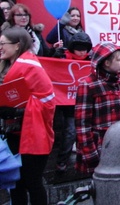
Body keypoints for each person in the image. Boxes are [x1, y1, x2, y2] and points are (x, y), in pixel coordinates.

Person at [0, 27, 54, 205]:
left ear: (17, 46)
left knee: (33, 182)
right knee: (16, 184)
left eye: (2, 44)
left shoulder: (30, 67)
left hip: (33, 134)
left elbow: (47, 101)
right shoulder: (6, 67)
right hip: (12, 136)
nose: (0, 47)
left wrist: (17, 111)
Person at [74, 42, 120, 174]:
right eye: (118, 60)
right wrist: (92, 157)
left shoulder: (119, 83)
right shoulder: (87, 85)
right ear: (106, 63)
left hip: (119, 146)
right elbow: (82, 126)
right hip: (98, 147)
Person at [54, 32, 93, 173]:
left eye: (85, 48)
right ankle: (61, 161)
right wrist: (55, 56)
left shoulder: (92, 59)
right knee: (70, 132)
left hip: (86, 103)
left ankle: (86, 160)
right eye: (79, 48)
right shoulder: (62, 58)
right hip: (69, 104)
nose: (82, 52)